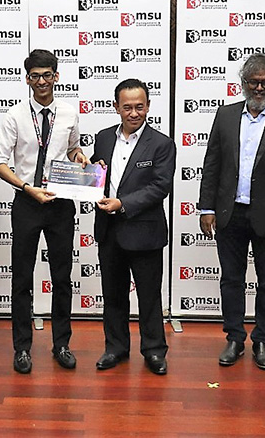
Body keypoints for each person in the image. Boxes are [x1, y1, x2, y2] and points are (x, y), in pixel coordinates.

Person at [197, 54, 265, 370]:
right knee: (231, 279)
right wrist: (206, 208)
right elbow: (212, 164)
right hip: (230, 214)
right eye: (253, 82)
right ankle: (234, 337)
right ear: (242, 83)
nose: (259, 88)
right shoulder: (226, 115)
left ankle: (262, 340)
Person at [0, 49, 88, 374]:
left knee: (62, 278)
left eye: (47, 75)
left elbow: (72, 148)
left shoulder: (70, 113)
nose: (42, 81)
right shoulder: (15, 116)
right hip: (28, 202)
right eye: (35, 76)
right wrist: (25, 187)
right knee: (21, 278)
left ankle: (62, 344)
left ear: (56, 77)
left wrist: (80, 159)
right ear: (27, 78)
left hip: (60, 203)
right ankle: (22, 348)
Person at [91, 78, 175, 375]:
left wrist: (122, 203)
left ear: (148, 106)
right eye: (127, 107)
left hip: (145, 232)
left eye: (140, 106)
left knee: (149, 296)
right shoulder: (102, 138)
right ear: (116, 107)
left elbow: (159, 187)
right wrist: (84, 174)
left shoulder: (162, 143)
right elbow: (95, 176)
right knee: (113, 294)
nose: (134, 113)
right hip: (109, 231)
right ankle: (115, 347)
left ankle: (154, 350)